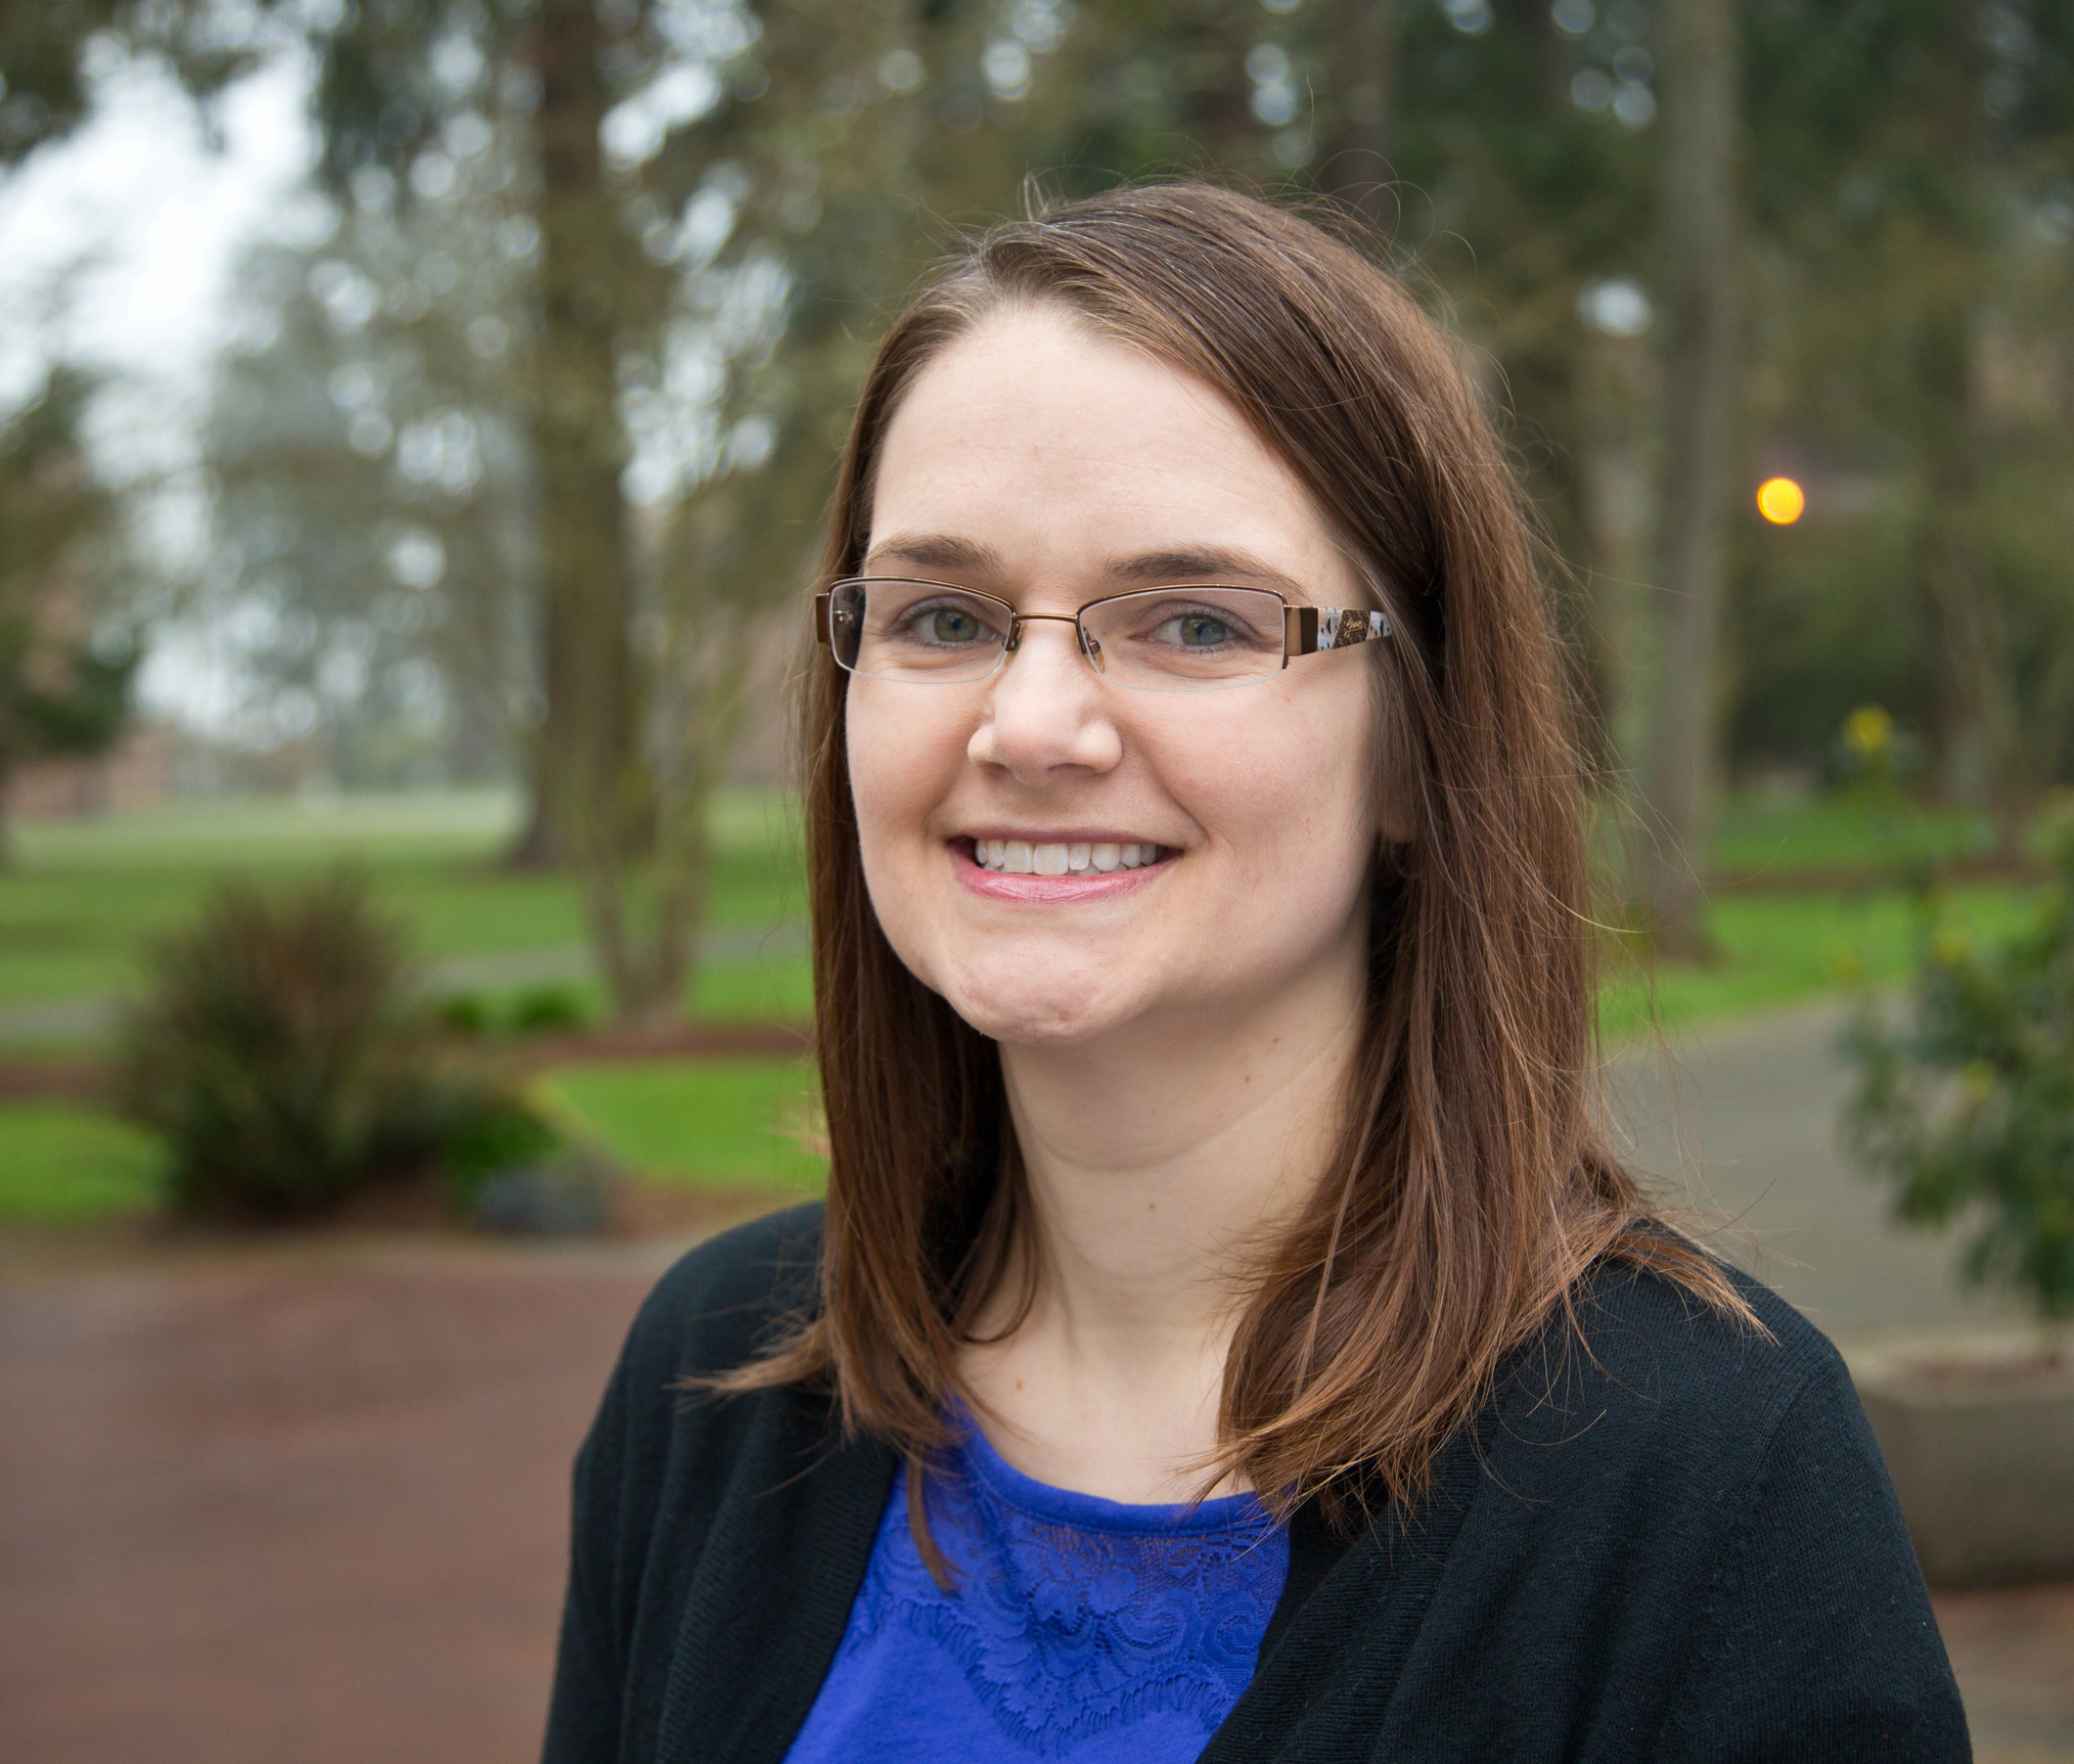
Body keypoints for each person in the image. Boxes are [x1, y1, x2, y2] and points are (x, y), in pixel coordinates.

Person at [542, 182, 1968, 1764]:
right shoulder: (716, 1379)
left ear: (1422, 747)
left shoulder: (1709, 1485)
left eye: (1195, 625)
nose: (1028, 725)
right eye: (942, 613)